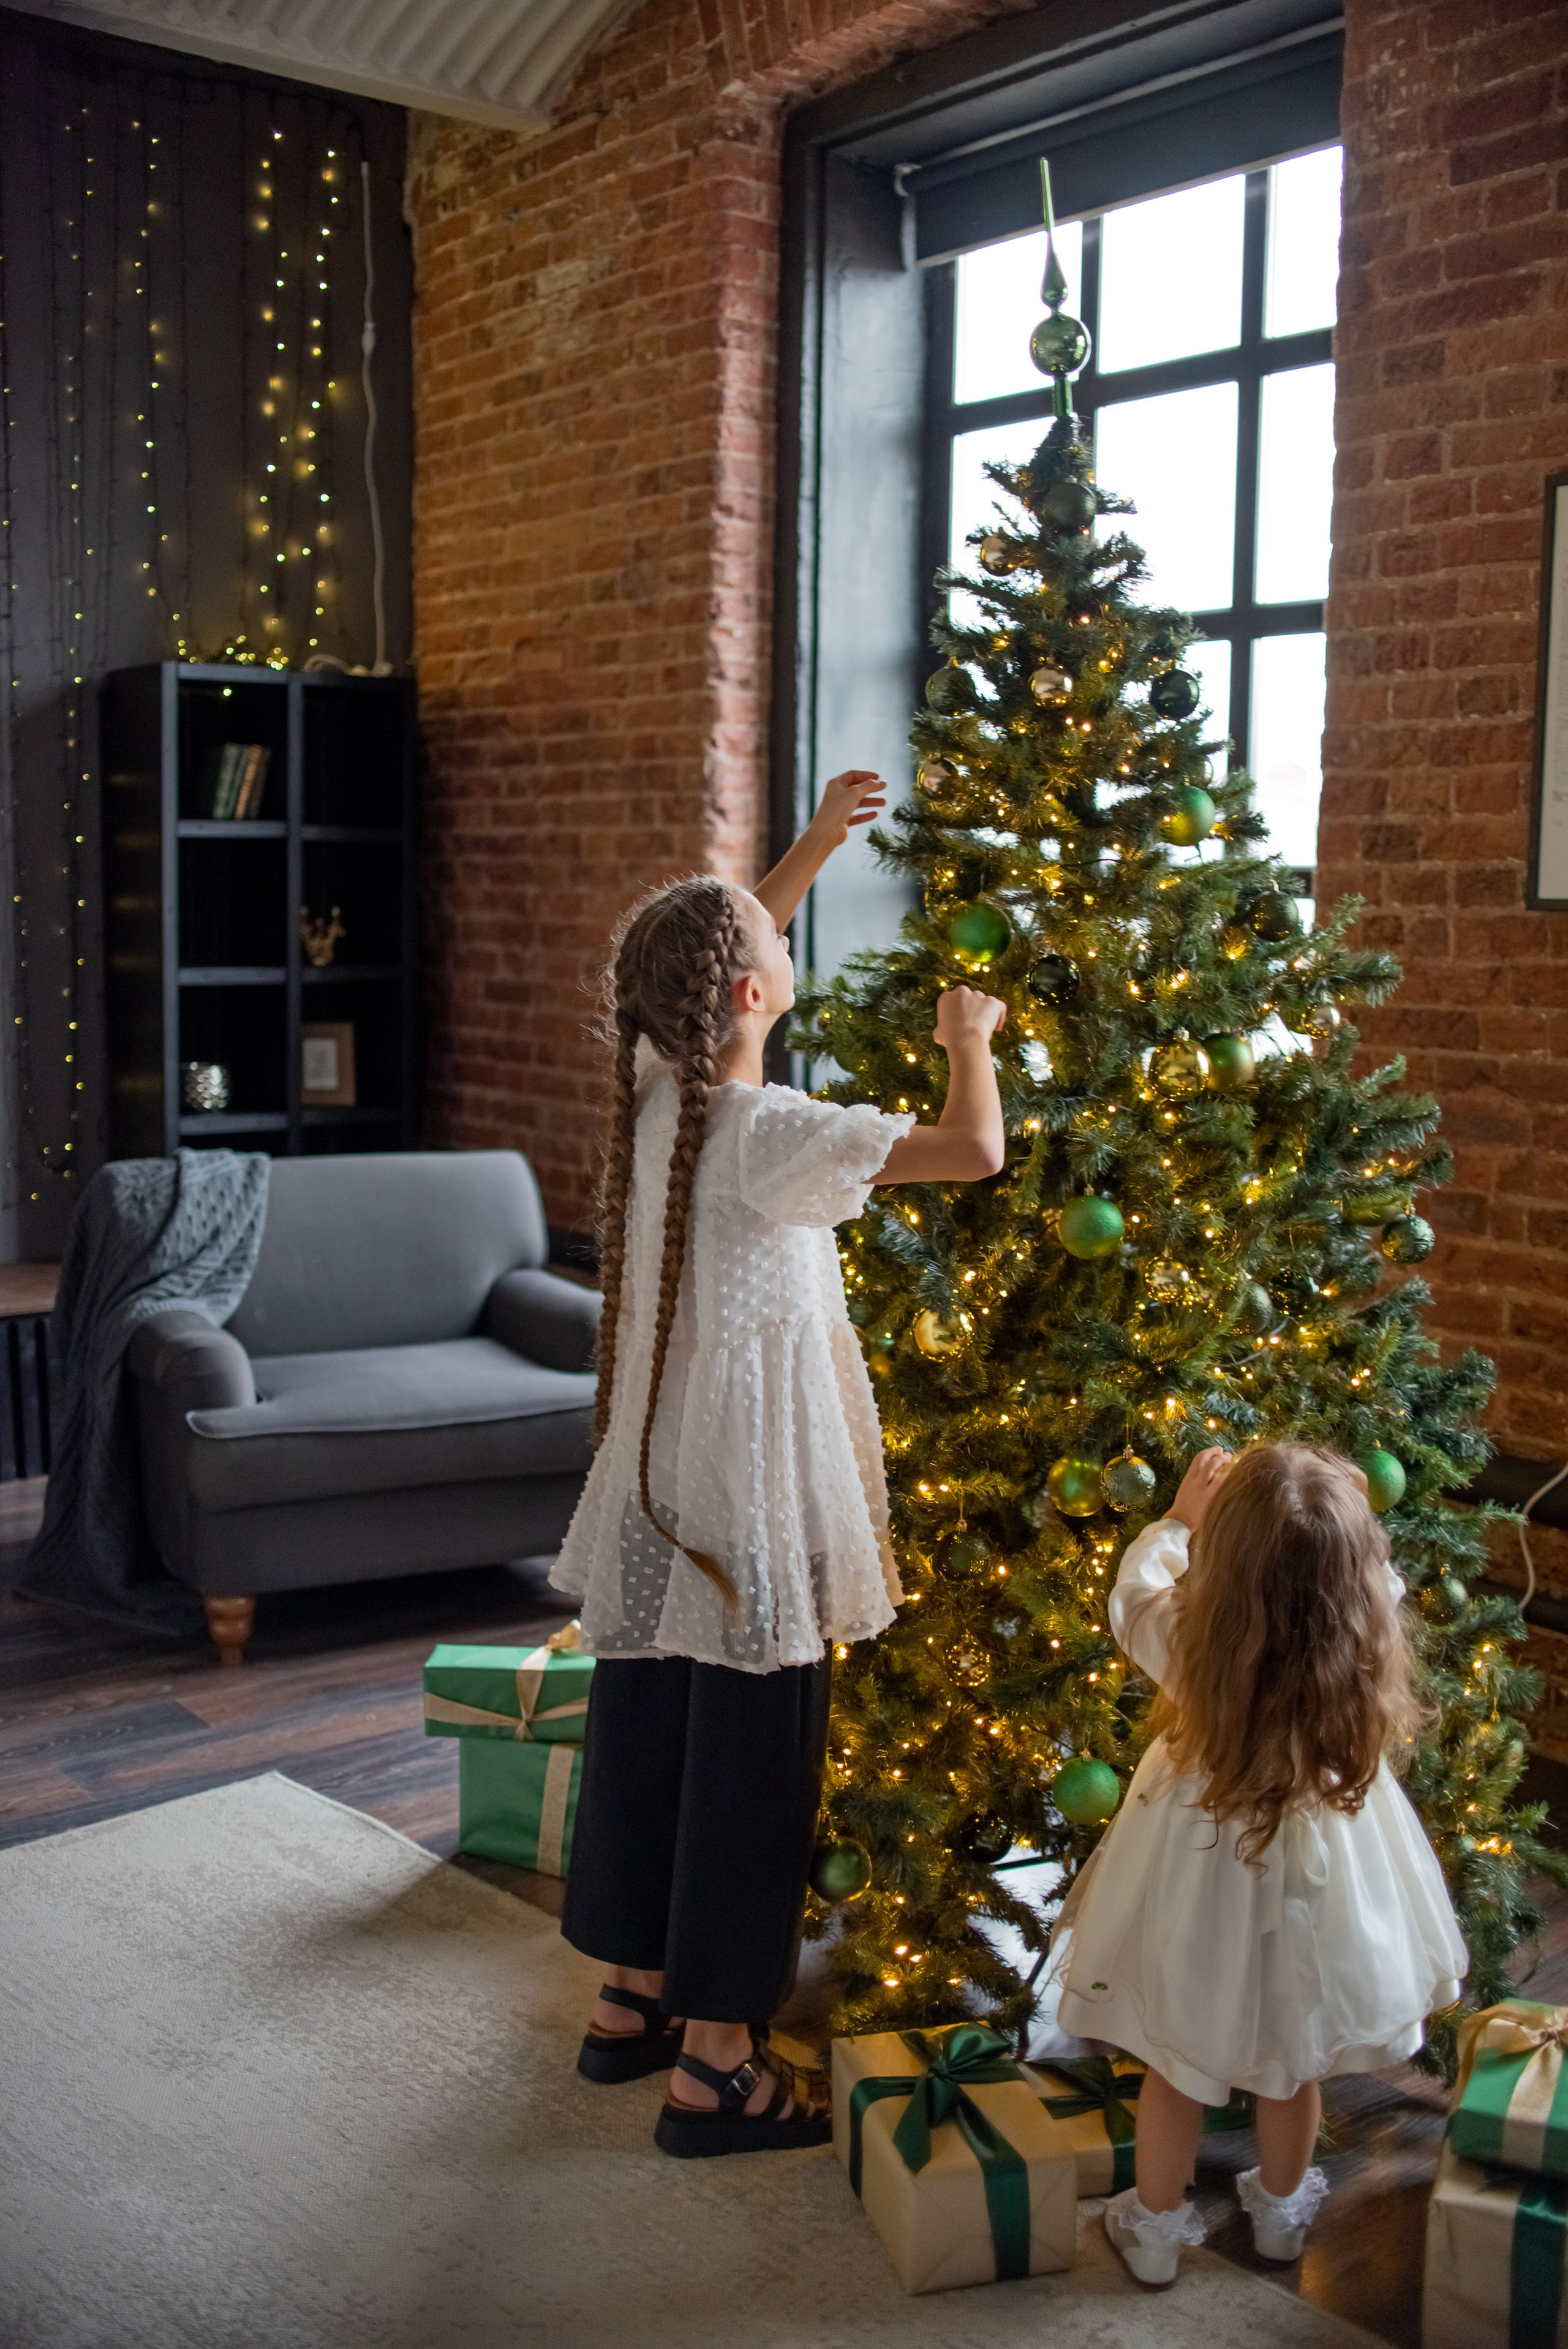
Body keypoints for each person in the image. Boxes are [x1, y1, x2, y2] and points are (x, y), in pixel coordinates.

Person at [553, 769, 1008, 2158]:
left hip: (650, 1494)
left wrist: (809, 844)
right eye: (772, 951)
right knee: (752, 1761)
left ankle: (628, 2001)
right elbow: (974, 1150)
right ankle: (718, 2067)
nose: (781, 947)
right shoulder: (771, 1133)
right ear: (747, 998)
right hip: (750, 1510)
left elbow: (722, 939)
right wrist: (965, 1034)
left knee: (647, 1730)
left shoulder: (655, 1102)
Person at [1051, 1441, 1466, 2286]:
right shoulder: (1358, 1642)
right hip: (1326, 1882)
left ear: (1226, 1563)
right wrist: (1348, 1515)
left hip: (1199, 1872)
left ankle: (1158, 2231)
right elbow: (1377, 1579)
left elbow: (1131, 1596)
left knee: (1176, 2063)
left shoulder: (1190, 1642)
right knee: (1293, 2061)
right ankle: (1280, 2217)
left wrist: (1177, 1521)